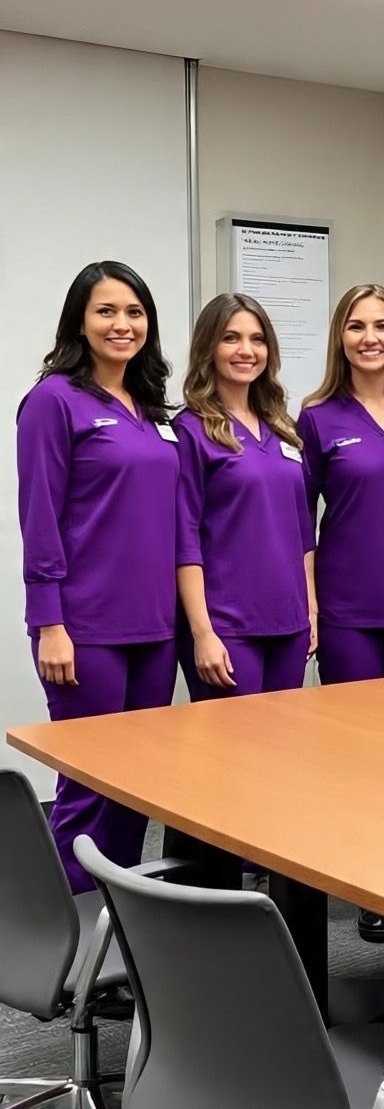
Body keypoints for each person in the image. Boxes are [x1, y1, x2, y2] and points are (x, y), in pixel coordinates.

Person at [17, 261, 178, 892]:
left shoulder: (152, 411)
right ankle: (72, 942)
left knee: (138, 787)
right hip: (85, 628)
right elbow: (40, 517)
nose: (122, 324)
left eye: (134, 312)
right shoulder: (53, 400)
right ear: (79, 322)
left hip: (155, 628)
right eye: (106, 311)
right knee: (86, 786)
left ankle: (124, 933)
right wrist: (49, 622)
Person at [175, 294, 315, 705]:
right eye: (231, 338)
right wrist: (202, 632)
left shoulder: (283, 429)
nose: (246, 351)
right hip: (228, 627)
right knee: (232, 761)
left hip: (289, 626)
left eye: (257, 339)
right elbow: (184, 540)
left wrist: (310, 613)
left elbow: (302, 532)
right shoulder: (191, 430)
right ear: (209, 348)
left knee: (281, 758)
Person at [299, 284, 384, 684]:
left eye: (382, 326)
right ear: (340, 339)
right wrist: (310, 606)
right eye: (356, 327)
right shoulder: (317, 417)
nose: (370, 338)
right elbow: (300, 521)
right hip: (347, 612)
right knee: (351, 737)